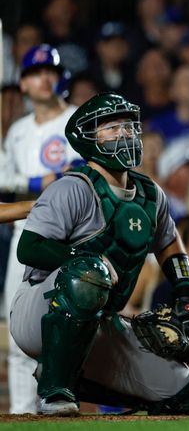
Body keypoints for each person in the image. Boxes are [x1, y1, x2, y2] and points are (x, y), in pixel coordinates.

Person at [9, 92, 189, 415]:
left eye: (128, 126)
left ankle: (70, 376)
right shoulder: (71, 187)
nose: (124, 133)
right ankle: (53, 391)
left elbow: (169, 244)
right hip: (38, 312)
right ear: (88, 137)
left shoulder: (150, 194)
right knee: (89, 272)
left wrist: (187, 292)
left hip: (101, 319)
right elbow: (28, 248)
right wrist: (81, 258)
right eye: (111, 128)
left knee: (187, 392)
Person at [0, 44, 82, 414]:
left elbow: (78, 173)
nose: (43, 78)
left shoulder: (76, 119)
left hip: (66, 236)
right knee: (17, 329)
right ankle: (21, 414)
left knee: (61, 324)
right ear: (24, 83)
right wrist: (44, 180)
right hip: (24, 233)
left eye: (49, 70)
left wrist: (35, 182)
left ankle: (58, 401)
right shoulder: (17, 131)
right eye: (35, 73)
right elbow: (4, 182)